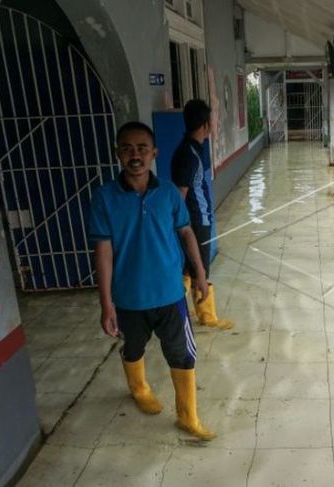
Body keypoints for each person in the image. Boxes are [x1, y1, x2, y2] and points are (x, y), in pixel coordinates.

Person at [89, 121, 215, 440]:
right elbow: (103, 252)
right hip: (129, 299)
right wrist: (106, 304)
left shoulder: (169, 193)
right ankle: (140, 389)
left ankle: (188, 417)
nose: (136, 155)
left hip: (172, 294)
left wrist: (200, 274)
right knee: (133, 349)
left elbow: (186, 233)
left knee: (183, 354)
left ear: (154, 153)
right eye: (127, 148)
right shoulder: (105, 197)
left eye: (142, 148)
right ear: (117, 154)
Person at [171, 99, 234, 330]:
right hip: (196, 223)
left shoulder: (190, 148)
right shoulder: (189, 154)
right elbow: (180, 194)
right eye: (213, 120)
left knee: (190, 268)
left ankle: (179, 310)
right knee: (200, 270)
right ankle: (205, 318)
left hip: (198, 220)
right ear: (206, 124)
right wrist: (181, 226)